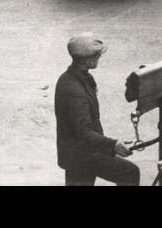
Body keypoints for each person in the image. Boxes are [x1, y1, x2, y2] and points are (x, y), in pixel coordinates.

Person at [54, 34, 141, 186]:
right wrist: (113, 145)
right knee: (129, 173)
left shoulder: (73, 78)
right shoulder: (75, 91)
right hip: (82, 154)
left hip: (75, 152)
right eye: (96, 55)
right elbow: (84, 132)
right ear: (84, 59)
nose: (98, 57)